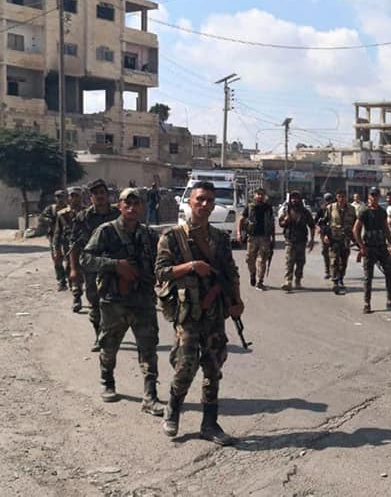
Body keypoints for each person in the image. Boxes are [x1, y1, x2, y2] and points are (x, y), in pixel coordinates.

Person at [155, 180, 245, 445]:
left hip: (215, 312)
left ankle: (210, 423)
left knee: (213, 367)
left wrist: (236, 300)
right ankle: (173, 410)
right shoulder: (172, 237)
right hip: (188, 313)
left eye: (210, 201)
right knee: (185, 365)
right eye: (200, 199)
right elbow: (161, 272)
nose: (205, 205)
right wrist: (191, 266)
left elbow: (230, 272)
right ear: (190, 202)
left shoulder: (220, 238)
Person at [81, 187, 163, 415]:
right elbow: (85, 258)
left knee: (148, 348)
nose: (132, 208)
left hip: (143, 300)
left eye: (136, 204)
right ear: (119, 206)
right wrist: (115, 265)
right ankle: (107, 381)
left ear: (142, 207)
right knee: (109, 345)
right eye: (127, 203)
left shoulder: (149, 235)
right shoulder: (106, 231)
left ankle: (150, 395)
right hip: (114, 300)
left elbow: (161, 261)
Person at [70, 179, 121, 351]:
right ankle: (99, 335)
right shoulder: (83, 217)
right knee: (94, 302)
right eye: (96, 193)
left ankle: (110, 332)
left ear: (107, 195)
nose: (100, 196)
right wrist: (73, 269)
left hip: (113, 266)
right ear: (90, 197)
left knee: (114, 302)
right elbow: (74, 245)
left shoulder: (117, 215)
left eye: (102, 193)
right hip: (91, 266)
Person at [353, 186, 391, 314]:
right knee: (368, 277)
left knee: (389, 273)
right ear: (369, 197)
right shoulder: (364, 211)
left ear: (379, 197)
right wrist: (361, 246)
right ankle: (367, 303)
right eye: (372, 195)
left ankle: (390, 301)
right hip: (369, 247)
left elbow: (386, 229)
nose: (374, 197)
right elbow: (355, 230)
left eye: (376, 195)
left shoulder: (382, 212)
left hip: (381, 247)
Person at [236, 188, 275, 289]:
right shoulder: (249, 207)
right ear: (254, 195)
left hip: (265, 237)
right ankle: (252, 274)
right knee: (249, 259)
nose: (260, 196)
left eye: (262, 194)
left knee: (262, 260)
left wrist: (273, 238)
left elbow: (272, 223)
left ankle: (260, 281)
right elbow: (241, 220)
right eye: (258, 194)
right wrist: (239, 233)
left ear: (264, 196)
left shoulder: (268, 208)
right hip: (252, 237)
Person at [54, 187, 85, 311]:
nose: (74, 198)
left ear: (81, 197)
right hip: (70, 247)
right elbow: (57, 233)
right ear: (68, 198)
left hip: (86, 246)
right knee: (72, 270)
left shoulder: (87, 212)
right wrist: (56, 249)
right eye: (72, 196)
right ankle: (77, 296)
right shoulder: (62, 215)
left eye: (77, 196)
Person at [278, 190, 316, 290]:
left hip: (301, 241)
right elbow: (281, 224)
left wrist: (312, 240)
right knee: (289, 261)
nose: (294, 200)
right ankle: (288, 281)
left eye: (296, 198)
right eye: (292, 198)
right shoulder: (286, 210)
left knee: (300, 262)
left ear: (300, 199)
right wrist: (285, 220)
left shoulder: (305, 212)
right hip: (290, 240)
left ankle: (298, 280)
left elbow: (312, 226)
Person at [325, 189, 357, 295]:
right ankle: (335, 281)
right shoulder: (330, 208)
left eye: (343, 196)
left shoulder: (352, 209)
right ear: (336, 197)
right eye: (339, 196)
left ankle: (340, 278)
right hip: (334, 238)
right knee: (334, 260)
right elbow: (324, 222)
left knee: (344, 261)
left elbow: (356, 225)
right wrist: (325, 235)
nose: (341, 199)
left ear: (346, 197)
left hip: (346, 239)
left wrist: (356, 238)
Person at [42, 189, 68, 292]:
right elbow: (41, 218)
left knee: (70, 260)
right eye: (58, 197)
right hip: (54, 237)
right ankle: (61, 281)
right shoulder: (51, 209)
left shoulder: (69, 209)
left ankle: (71, 280)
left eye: (62, 197)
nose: (60, 199)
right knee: (57, 260)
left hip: (67, 238)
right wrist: (48, 220)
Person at [314, 193, 335, 279]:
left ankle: (334, 271)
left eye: (329, 199)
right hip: (324, 233)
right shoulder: (322, 209)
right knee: (325, 252)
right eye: (326, 200)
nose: (328, 201)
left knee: (334, 253)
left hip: (334, 233)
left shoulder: (336, 208)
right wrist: (318, 228)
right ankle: (327, 271)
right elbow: (315, 221)